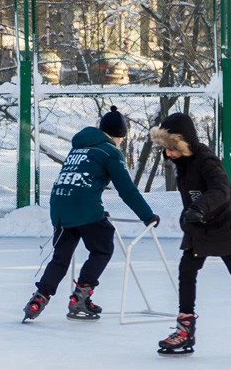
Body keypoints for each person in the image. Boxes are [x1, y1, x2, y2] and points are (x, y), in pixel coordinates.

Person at [150, 112, 231, 357]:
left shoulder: (206, 160)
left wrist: (199, 208)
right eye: (165, 149)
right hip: (200, 226)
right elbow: (191, 196)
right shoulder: (182, 164)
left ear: (184, 143)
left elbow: (221, 189)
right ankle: (185, 330)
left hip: (224, 226)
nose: (168, 154)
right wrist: (189, 215)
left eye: (171, 148)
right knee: (186, 270)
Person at [22, 105, 160, 322]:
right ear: (119, 135)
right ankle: (82, 297)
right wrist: (147, 215)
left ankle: (39, 298)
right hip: (83, 206)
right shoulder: (109, 151)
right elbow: (126, 189)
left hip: (60, 206)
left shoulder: (77, 149)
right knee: (103, 246)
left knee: (60, 258)